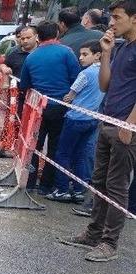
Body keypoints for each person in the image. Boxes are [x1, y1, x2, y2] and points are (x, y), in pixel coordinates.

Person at [60, 0, 136, 262]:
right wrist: (105, 53)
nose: (112, 23)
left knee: (116, 186)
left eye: (117, 17)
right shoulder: (121, 48)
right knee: (100, 181)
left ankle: (109, 242)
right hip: (106, 121)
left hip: (125, 128)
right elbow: (105, 85)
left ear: (134, 19)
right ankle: (93, 233)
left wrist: (130, 125)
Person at [19, 20, 81, 195]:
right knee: (55, 147)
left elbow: (24, 84)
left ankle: (29, 183)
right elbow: (76, 79)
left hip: (37, 107)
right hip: (60, 107)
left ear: (38, 36)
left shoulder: (31, 56)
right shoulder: (66, 53)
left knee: (34, 145)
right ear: (57, 34)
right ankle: (46, 186)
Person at [46, 41, 104, 203]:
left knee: (63, 153)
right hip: (93, 119)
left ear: (97, 55)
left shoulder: (85, 74)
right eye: (80, 54)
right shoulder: (105, 73)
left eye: (85, 54)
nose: (80, 58)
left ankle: (62, 189)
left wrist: (68, 98)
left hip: (75, 119)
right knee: (81, 154)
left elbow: (70, 96)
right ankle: (79, 190)